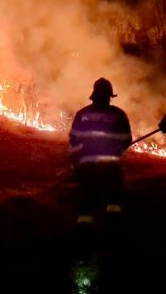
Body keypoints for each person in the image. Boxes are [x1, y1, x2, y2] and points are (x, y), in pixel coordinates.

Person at [69, 77, 132, 254]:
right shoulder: (119, 115)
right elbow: (126, 140)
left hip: (87, 167)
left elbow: (74, 140)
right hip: (110, 167)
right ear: (110, 97)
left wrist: (76, 163)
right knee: (113, 202)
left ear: (94, 96)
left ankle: (84, 240)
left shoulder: (82, 114)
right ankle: (113, 237)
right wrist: (116, 150)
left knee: (86, 204)